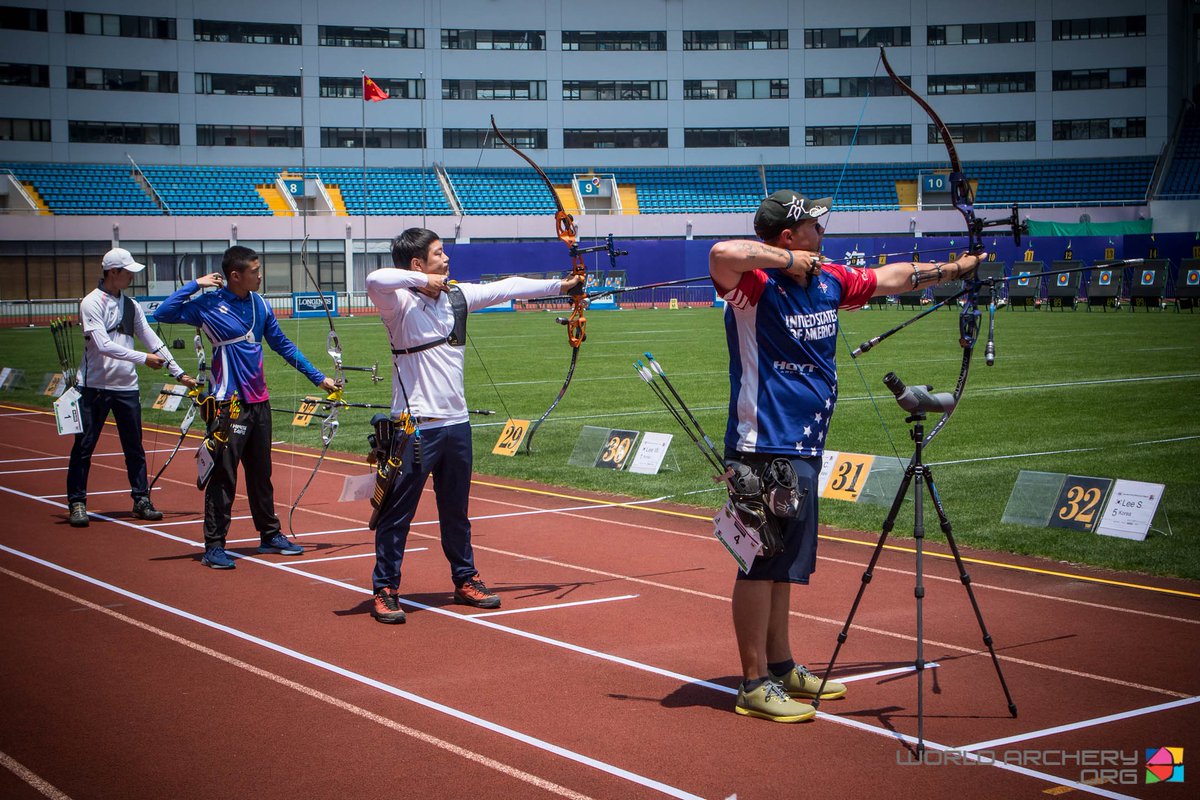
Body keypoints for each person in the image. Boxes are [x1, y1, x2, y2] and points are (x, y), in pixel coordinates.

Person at [708, 190, 984, 722]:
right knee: (759, 562)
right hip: (762, 442)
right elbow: (722, 253)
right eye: (812, 223)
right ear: (789, 237)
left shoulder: (829, 279)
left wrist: (954, 269)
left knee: (783, 564)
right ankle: (752, 682)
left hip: (804, 442)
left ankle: (782, 665)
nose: (821, 228)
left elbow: (891, 278)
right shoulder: (753, 286)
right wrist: (787, 261)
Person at [364, 228, 582, 624]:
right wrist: (421, 281)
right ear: (417, 265)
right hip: (413, 428)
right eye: (438, 255)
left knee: (456, 512)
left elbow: (508, 287)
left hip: (456, 425)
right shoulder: (397, 304)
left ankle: (465, 579)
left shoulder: (457, 297)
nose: (446, 260)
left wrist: (562, 285)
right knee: (398, 514)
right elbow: (374, 279)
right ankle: (386, 589)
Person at [154, 245, 339, 569]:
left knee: (261, 474)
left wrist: (317, 378)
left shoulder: (259, 304)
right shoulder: (208, 305)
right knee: (223, 476)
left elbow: (282, 344)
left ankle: (269, 534)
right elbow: (163, 312)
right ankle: (214, 545)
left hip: (259, 402)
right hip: (228, 404)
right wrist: (196, 284)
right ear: (235, 275)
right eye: (254, 270)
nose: (260, 275)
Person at [67, 248, 198, 527]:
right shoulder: (91, 303)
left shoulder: (132, 305)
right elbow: (103, 346)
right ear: (113, 272)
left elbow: (153, 340)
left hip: (126, 387)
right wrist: (143, 359)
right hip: (94, 386)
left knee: (134, 448)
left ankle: (141, 499)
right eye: (127, 272)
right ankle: (77, 502)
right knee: (84, 446)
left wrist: (179, 373)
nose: (131, 276)